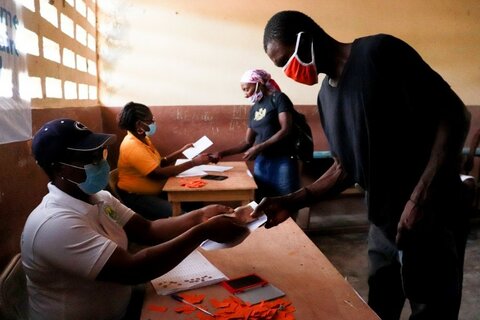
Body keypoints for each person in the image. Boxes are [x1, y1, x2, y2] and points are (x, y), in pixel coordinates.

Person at [253, 10, 471, 320]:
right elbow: (344, 167)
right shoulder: (325, 98)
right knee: (380, 305)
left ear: (306, 39)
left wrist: (419, 200)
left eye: (286, 60)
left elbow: (455, 116)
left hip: (432, 214)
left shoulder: (378, 53)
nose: (289, 72)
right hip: (383, 223)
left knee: (431, 308)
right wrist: (293, 200)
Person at [21, 118, 249, 320]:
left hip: (124, 303)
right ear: (60, 168)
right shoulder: (54, 224)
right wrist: (203, 231)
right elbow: (133, 270)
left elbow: (148, 229)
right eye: (87, 159)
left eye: (99, 154)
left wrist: (201, 215)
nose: (101, 163)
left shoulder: (99, 198)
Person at [210, 69, 300, 200]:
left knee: (286, 199)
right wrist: (221, 154)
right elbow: (247, 142)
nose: (245, 95)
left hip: (282, 159)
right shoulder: (254, 109)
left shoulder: (279, 98)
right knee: (262, 199)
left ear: (258, 84)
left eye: (247, 89)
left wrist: (259, 147)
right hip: (262, 161)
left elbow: (286, 129)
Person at [117, 101, 211, 219]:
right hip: (138, 197)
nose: (153, 123)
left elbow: (159, 163)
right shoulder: (132, 145)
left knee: (194, 200)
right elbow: (156, 174)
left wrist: (181, 151)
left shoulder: (143, 139)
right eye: (150, 121)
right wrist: (194, 163)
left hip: (157, 192)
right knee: (183, 217)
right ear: (139, 125)